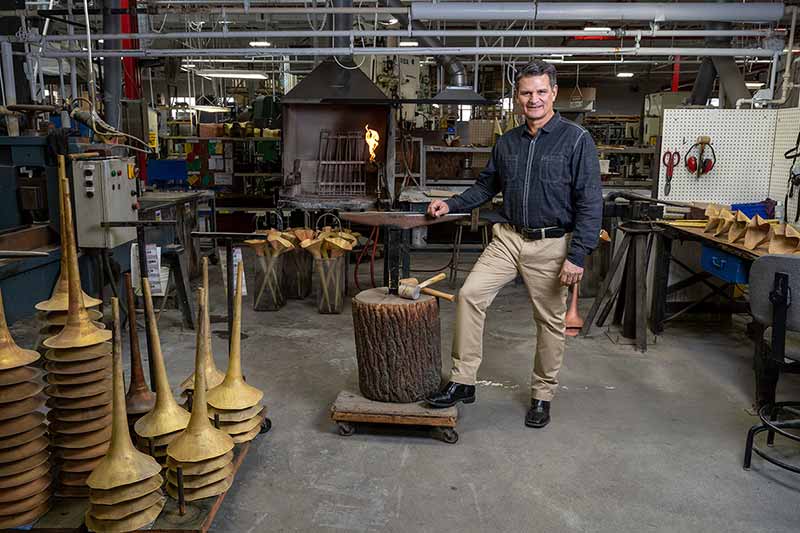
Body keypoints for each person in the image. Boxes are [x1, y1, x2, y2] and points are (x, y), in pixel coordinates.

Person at [425, 60, 602, 428]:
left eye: (540, 91)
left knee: (550, 322)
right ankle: (463, 381)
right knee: (470, 295)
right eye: (526, 93)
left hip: (552, 244)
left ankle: (542, 395)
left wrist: (577, 255)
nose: (533, 99)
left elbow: (589, 202)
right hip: (508, 238)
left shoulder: (576, 140)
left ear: (553, 93)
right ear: (517, 97)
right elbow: (487, 187)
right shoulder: (507, 142)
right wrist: (451, 204)